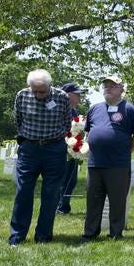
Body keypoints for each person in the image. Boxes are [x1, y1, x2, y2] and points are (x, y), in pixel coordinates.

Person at [9, 69, 71, 245]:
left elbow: (67, 123)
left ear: (49, 86)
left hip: (54, 149)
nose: (37, 94)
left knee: (51, 194)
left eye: (41, 91)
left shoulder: (62, 97)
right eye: (34, 91)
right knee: (23, 192)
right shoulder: (22, 95)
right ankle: (17, 237)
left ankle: (43, 236)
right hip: (29, 149)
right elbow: (18, 121)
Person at [81, 76, 134, 241]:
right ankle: (90, 233)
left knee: (117, 201)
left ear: (121, 89)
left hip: (118, 164)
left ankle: (115, 233)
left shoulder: (129, 109)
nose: (108, 88)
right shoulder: (94, 109)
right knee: (93, 200)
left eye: (112, 85)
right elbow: (88, 132)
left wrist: (126, 151)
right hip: (95, 163)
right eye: (105, 86)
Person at [56, 82, 83, 214]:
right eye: (77, 95)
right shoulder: (56, 107)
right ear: (67, 94)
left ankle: (63, 206)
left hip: (72, 150)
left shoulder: (74, 111)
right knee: (60, 179)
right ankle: (58, 206)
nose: (80, 98)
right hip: (59, 149)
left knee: (71, 180)